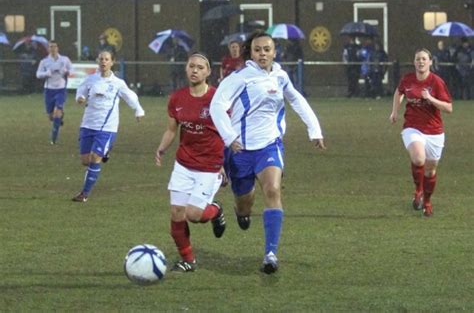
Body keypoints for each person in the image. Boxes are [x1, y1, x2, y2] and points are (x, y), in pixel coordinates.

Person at [209, 31, 326, 274]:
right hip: (240, 149)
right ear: (250, 53)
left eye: (267, 49)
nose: (263, 53)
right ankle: (242, 214)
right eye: (258, 49)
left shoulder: (281, 76)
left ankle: (270, 254)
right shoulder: (239, 77)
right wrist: (229, 138)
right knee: (244, 204)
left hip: (270, 146)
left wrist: (314, 129)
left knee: (272, 190)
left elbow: (296, 99)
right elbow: (217, 105)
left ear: (274, 52)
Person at [155, 52, 226, 272]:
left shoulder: (218, 98)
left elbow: (228, 131)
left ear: (208, 72)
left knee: (194, 215)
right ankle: (188, 260)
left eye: (200, 67)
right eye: (191, 66)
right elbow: (171, 129)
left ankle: (215, 210)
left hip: (210, 165)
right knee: (177, 213)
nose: (194, 70)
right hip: (184, 164)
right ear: (186, 69)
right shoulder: (177, 98)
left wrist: (227, 163)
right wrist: (162, 148)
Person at [72, 50, 145, 202]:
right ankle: (105, 152)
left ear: (112, 62)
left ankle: (84, 194)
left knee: (94, 157)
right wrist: (80, 97)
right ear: (98, 61)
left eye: (107, 59)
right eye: (101, 59)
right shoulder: (91, 79)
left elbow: (131, 96)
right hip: (88, 124)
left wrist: (138, 110)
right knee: (85, 161)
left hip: (107, 128)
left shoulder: (118, 83)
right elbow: (81, 90)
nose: (103, 62)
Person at [389, 48, 453, 217]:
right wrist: (394, 111)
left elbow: (449, 108)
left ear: (430, 62)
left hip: (434, 131)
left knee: (430, 171)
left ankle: (427, 202)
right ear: (414, 61)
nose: (421, 62)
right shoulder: (408, 79)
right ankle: (418, 190)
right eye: (418, 59)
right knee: (418, 158)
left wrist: (430, 98)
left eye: (424, 59)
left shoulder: (436, 82)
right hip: (413, 127)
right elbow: (399, 91)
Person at [36, 40, 72, 144]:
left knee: (57, 112)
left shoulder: (65, 60)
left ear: (58, 48)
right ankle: (59, 118)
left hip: (60, 89)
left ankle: (54, 137)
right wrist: (46, 73)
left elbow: (72, 70)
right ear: (48, 49)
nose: (53, 48)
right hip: (49, 90)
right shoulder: (44, 61)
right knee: (51, 116)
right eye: (50, 47)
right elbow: (38, 74)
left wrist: (66, 72)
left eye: (54, 46)